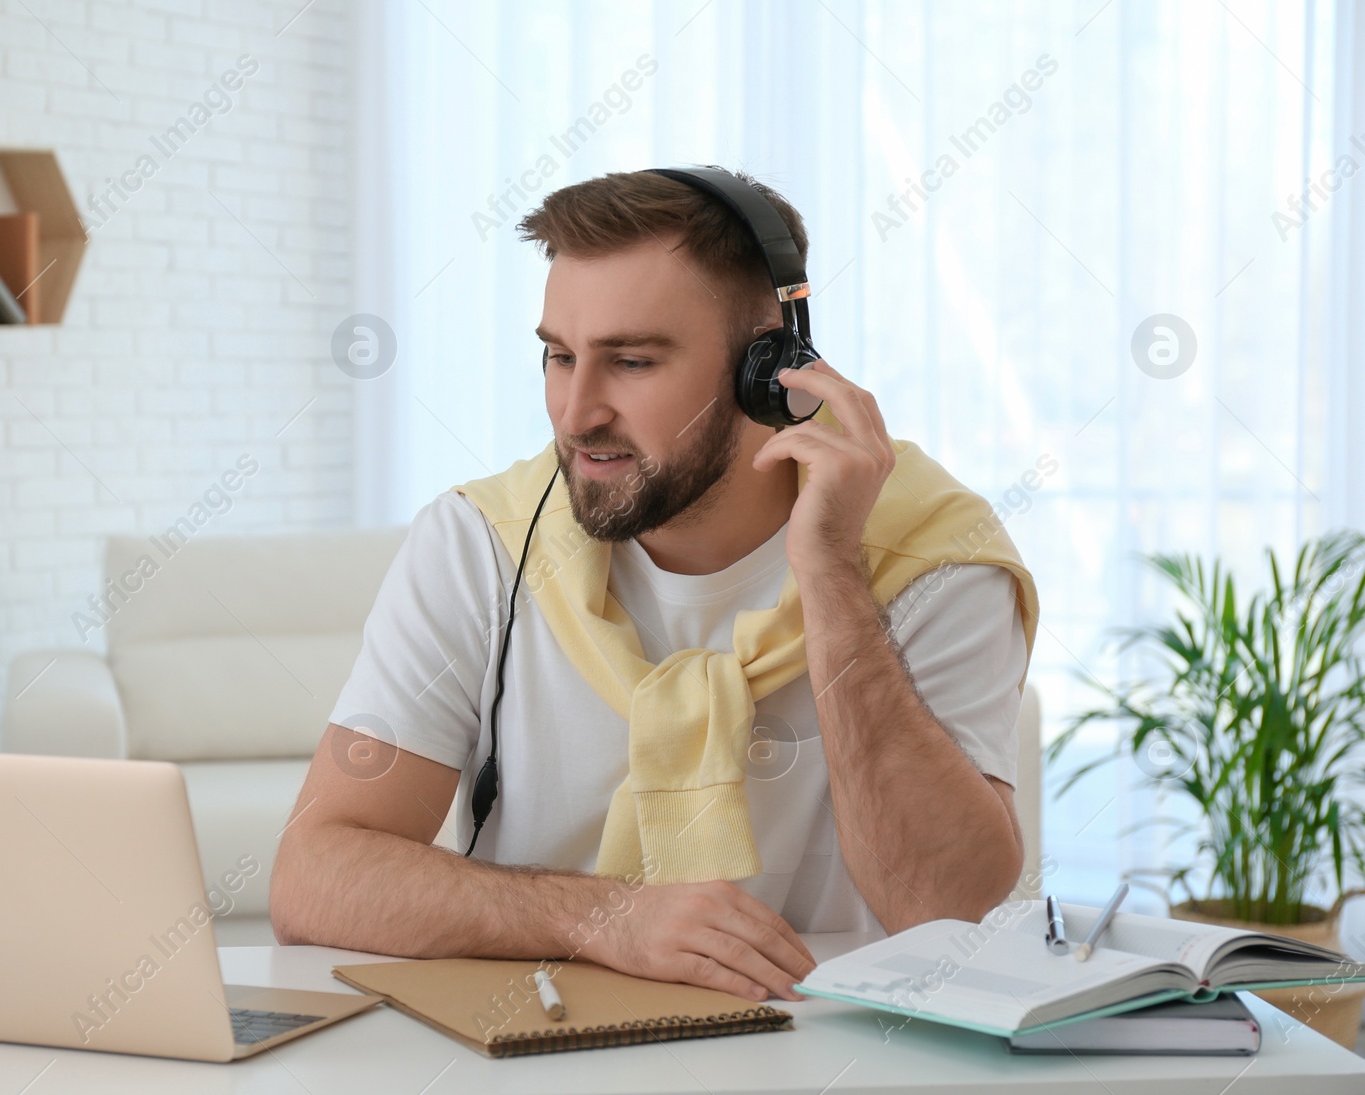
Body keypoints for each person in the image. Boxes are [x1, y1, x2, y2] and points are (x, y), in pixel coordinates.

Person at [270, 167, 1037, 1005]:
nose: (575, 413)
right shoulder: (483, 542)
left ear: (769, 371)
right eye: (559, 356)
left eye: (630, 361)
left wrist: (830, 574)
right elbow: (316, 875)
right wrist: (606, 918)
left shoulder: (935, 559)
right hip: (545, 1050)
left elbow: (946, 908)